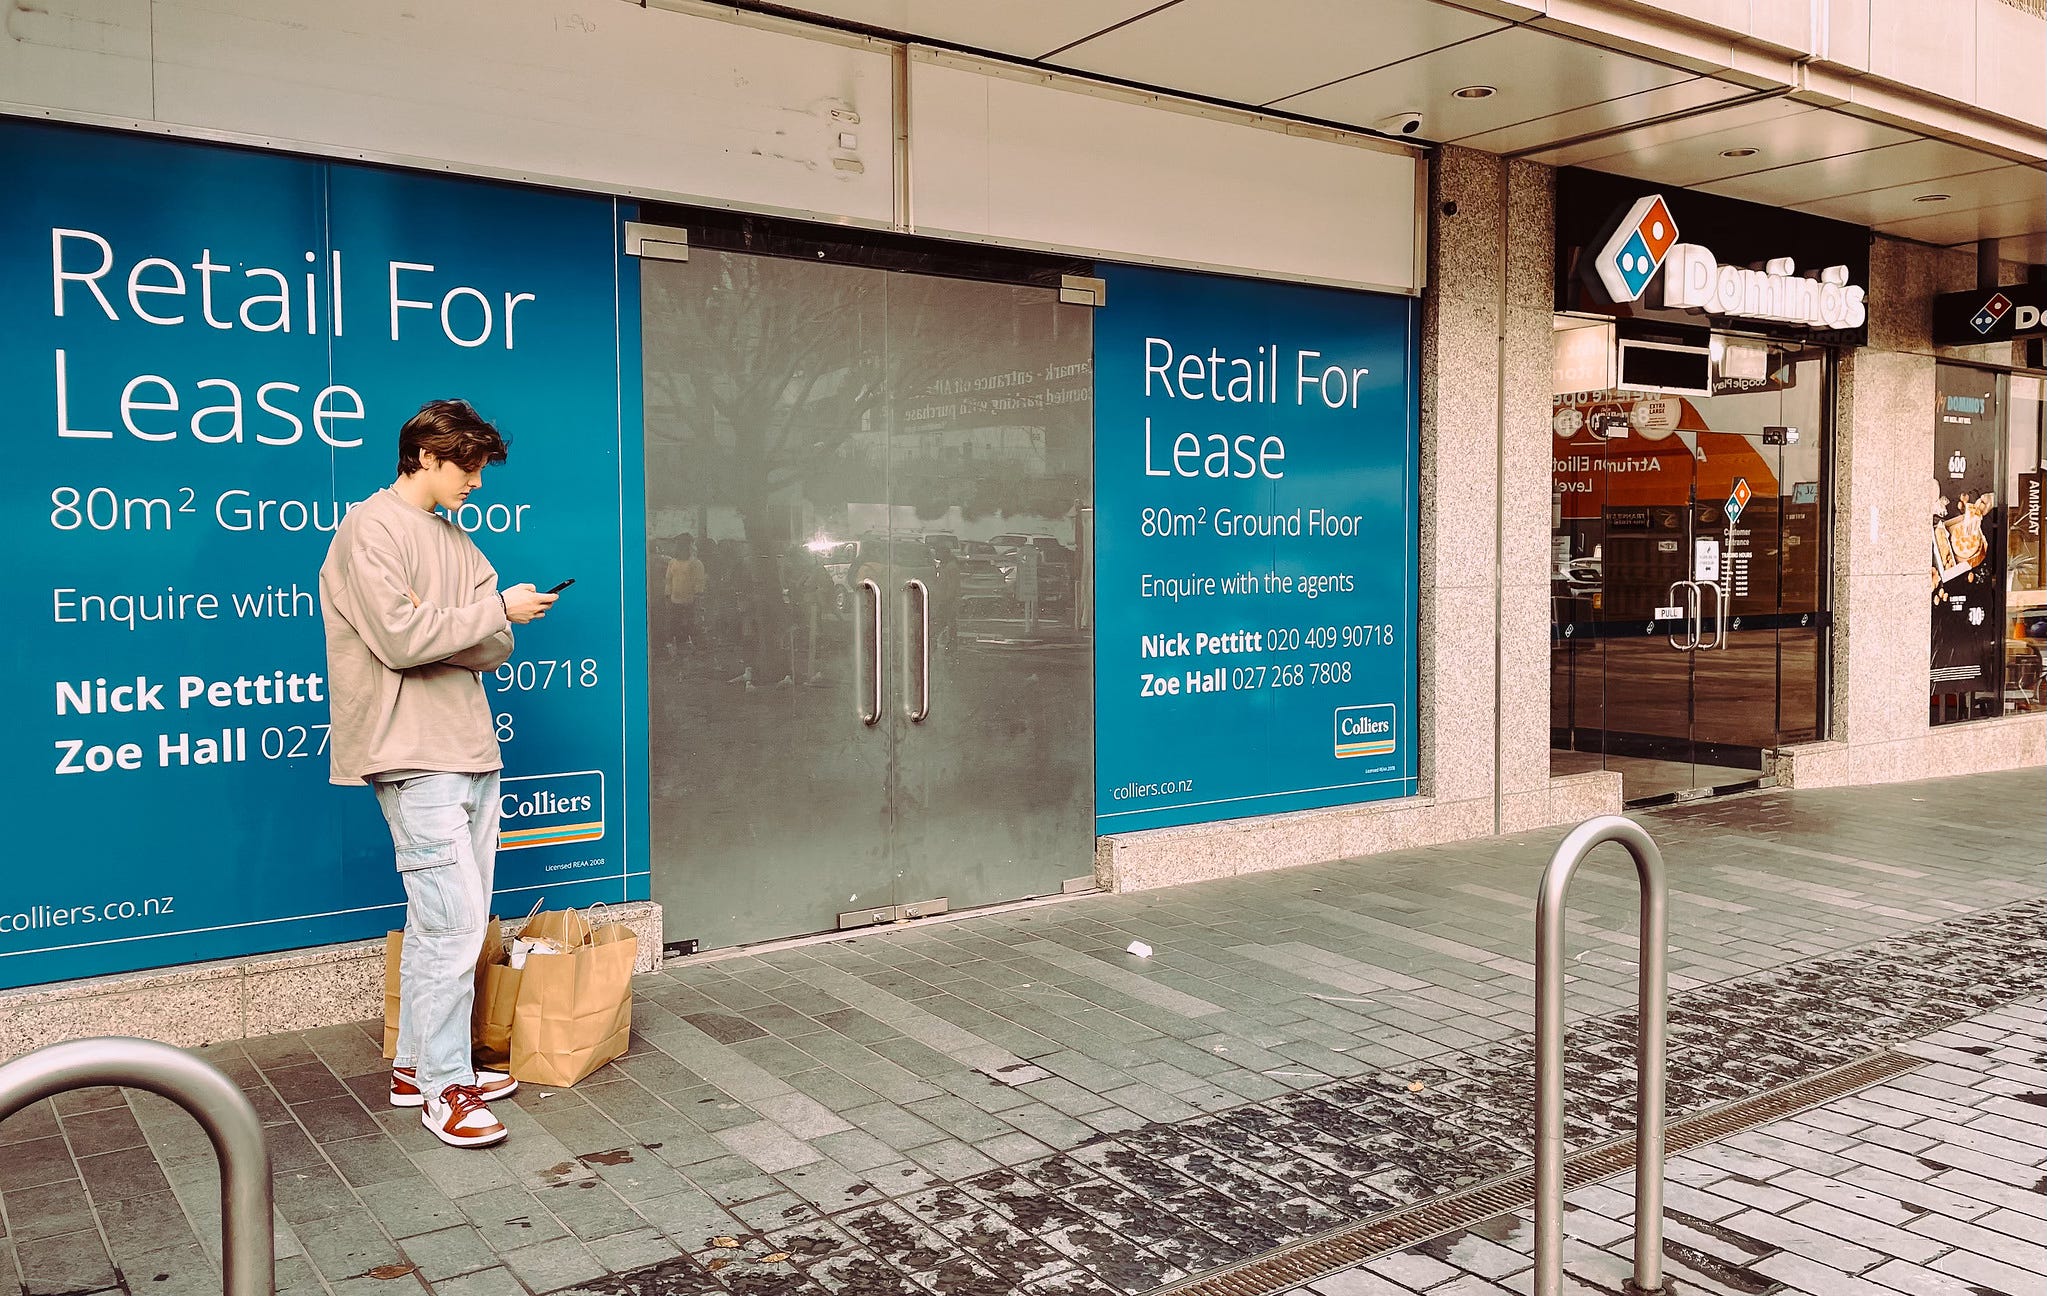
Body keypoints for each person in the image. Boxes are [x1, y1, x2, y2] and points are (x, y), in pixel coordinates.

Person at [320, 399, 557, 1150]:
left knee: (443, 925)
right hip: (411, 754)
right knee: (453, 929)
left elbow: (493, 648)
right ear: (425, 455)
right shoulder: (369, 529)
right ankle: (447, 1088)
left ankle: (416, 1068)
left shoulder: (458, 541)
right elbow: (399, 639)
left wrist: (453, 625)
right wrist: (485, 612)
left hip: (471, 750)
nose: (476, 483)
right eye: (467, 466)